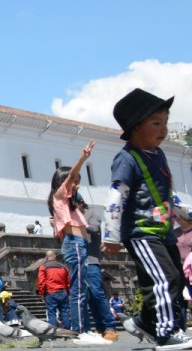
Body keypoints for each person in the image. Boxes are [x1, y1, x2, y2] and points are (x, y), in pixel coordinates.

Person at [104, 88, 192, 349]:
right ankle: (165, 334)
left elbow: (165, 195)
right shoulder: (127, 158)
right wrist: (111, 236)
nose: (163, 129)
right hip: (142, 233)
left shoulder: (159, 155)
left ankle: (147, 321)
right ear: (135, 128)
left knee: (172, 280)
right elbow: (115, 197)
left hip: (164, 231)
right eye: (156, 123)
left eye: (165, 123)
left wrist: (182, 214)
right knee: (163, 279)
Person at [49, 140, 110, 345]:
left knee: (82, 286)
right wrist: (83, 158)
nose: (76, 185)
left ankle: (85, 328)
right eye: (74, 182)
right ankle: (79, 329)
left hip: (80, 244)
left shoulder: (73, 205)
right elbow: (71, 177)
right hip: (74, 242)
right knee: (77, 288)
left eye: (77, 182)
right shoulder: (59, 195)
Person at [82, 200, 120, 341]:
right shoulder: (71, 216)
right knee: (89, 297)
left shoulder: (90, 214)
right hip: (79, 262)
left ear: (79, 203)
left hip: (91, 261)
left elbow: (94, 228)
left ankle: (110, 327)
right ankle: (99, 328)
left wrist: (79, 223)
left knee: (97, 294)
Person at [37, 249, 71, 328]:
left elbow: (41, 281)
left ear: (46, 257)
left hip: (50, 292)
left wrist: (41, 293)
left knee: (51, 313)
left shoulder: (43, 266)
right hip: (63, 292)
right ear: (55, 257)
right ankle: (68, 331)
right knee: (65, 313)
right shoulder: (64, 267)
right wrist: (68, 293)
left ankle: (53, 332)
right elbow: (68, 281)